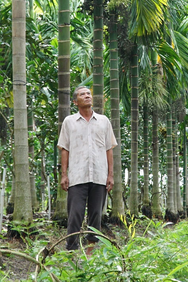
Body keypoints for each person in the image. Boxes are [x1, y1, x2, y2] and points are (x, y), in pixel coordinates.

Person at [57, 86, 116, 253]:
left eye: (88, 93)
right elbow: (64, 149)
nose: (87, 96)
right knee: (75, 214)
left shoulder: (104, 121)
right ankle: (71, 251)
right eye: (82, 94)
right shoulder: (69, 122)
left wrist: (110, 175)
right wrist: (64, 175)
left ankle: (90, 252)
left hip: (99, 175)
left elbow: (109, 149)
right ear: (76, 102)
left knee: (95, 216)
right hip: (77, 176)